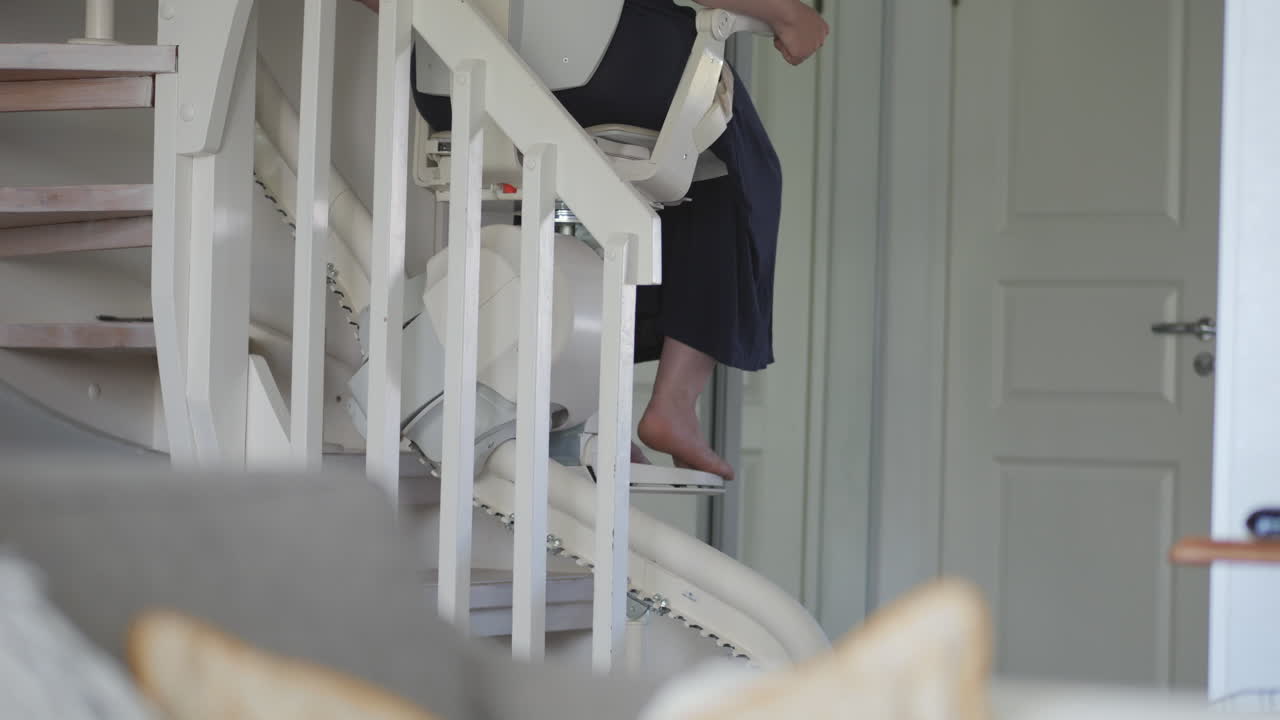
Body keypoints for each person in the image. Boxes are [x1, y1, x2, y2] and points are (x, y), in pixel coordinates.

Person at [351, 0, 829, 481]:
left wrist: (443, 18)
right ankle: (675, 402)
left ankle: (579, 408)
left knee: (555, 182)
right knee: (726, 157)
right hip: (586, 73)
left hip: (448, 79)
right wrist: (788, 14)